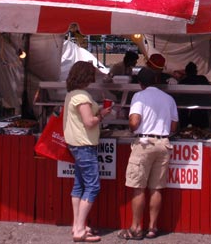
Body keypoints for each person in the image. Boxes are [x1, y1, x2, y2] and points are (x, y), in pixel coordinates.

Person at [117, 67, 179, 240]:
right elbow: (174, 126)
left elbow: (134, 122)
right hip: (163, 143)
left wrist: (130, 126)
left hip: (144, 144)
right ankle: (152, 227)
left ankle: (136, 228)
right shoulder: (168, 98)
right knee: (156, 188)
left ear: (140, 83)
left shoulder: (139, 96)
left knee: (138, 188)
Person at [63, 61, 112, 243]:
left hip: (75, 144)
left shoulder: (71, 95)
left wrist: (98, 111)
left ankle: (77, 225)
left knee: (79, 185)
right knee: (92, 186)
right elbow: (89, 122)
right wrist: (101, 115)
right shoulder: (82, 97)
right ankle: (80, 230)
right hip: (84, 145)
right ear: (86, 76)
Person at [177, 61, 211, 129]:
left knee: (185, 132)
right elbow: (209, 95)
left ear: (186, 72)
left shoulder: (183, 82)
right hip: (201, 112)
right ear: (196, 71)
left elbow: (179, 98)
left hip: (186, 113)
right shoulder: (202, 79)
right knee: (201, 132)